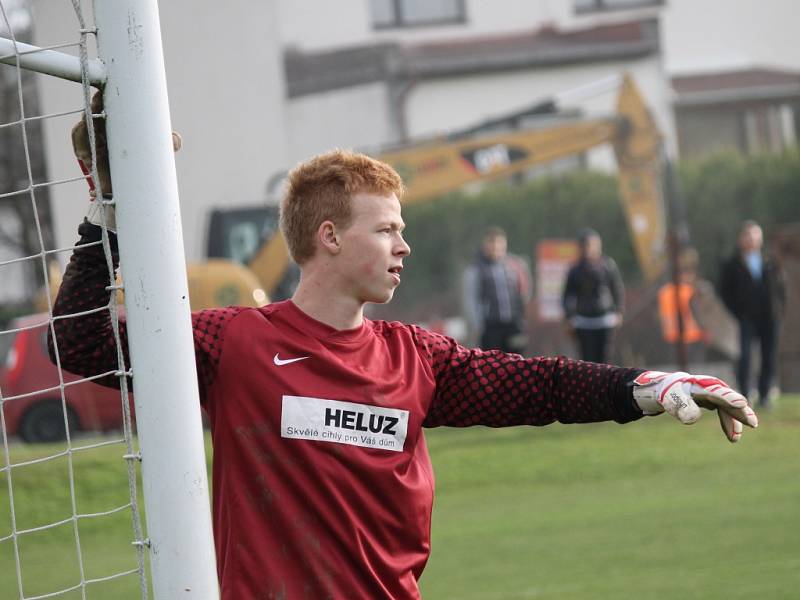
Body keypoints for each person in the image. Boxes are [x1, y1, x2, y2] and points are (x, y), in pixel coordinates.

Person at [51, 98, 757, 599]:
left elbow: (541, 383)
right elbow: (80, 342)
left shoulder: (417, 359)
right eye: (386, 228)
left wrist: (650, 385)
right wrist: (107, 207)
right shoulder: (233, 342)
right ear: (329, 237)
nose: (404, 245)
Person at [720, 220, 786, 407]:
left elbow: (781, 288)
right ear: (741, 239)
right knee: (746, 357)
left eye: (754, 236)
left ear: (760, 239)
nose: (750, 240)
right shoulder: (732, 264)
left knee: (769, 355)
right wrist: (737, 312)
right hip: (746, 318)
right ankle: (744, 395)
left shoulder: (770, 262)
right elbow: (725, 291)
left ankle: (765, 395)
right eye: (747, 236)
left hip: (769, 317)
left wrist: (779, 309)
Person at [462, 226, 532, 353]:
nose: (495, 247)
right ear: (485, 245)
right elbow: (471, 299)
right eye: (491, 243)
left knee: (517, 362)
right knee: (493, 365)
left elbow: (525, 290)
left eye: (499, 243)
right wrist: (477, 324)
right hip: (490, 327)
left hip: (514, 324)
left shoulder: (516, 265)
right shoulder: (476, 269)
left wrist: (522, 316)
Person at [562, 228, 624, 363]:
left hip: (605, 319)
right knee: (588, 361)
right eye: (585, 245)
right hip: (584, 321)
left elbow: (617, 289)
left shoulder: (608, 265)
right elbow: (567, 295)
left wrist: (619, 311)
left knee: (605, 360)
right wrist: (568, 317)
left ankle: (605, 384)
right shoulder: (575, 269)